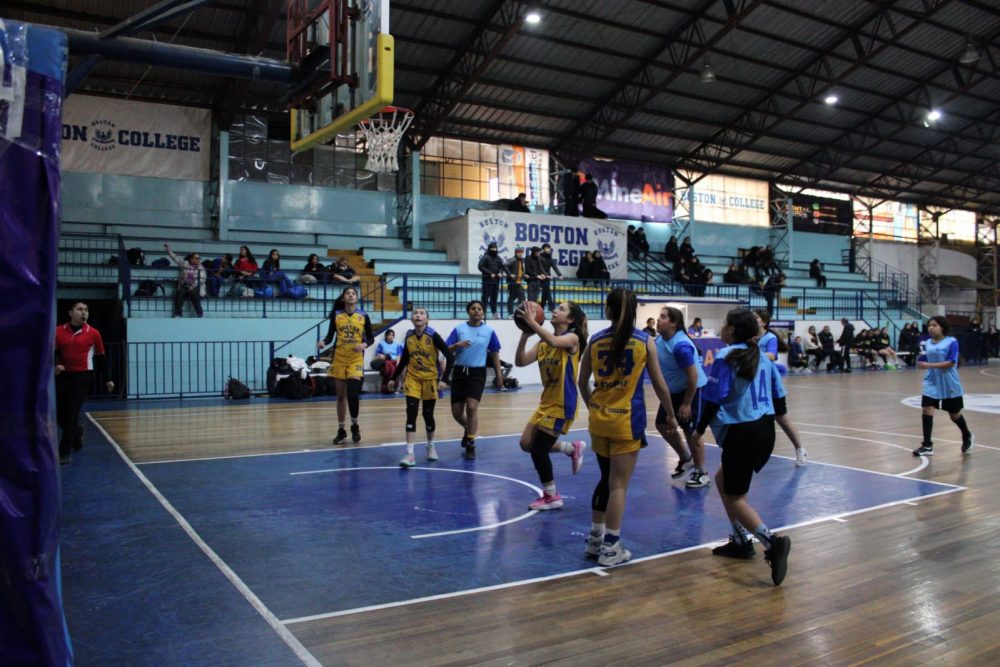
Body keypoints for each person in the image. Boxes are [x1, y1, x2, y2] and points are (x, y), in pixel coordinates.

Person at [578, 288, 676, 566]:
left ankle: (595, 539)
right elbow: (658, 383)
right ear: (633, 312)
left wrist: (593, 408)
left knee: (605, 478)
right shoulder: (644, 341)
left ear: (608, 310)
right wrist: (670, 413)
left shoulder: (595, 341)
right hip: (626, 422)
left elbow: (581, 381)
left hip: (599, 420)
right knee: (618, 485)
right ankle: (611, 548)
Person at [697, 308, 792, 586]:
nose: (721, 326)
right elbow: (780, 401)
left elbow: (713, 397)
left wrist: (698, 429)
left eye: (725, 323)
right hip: (764, 429)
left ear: (733, 330)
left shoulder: (726, 357)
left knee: (736, 498)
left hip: (743, 431)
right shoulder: (762, 358)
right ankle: (740, 540)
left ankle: (771, 543)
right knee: (722, 478)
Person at [514, 301, 589, 509]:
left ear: (571, 319)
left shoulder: (572, 339)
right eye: (556, 308)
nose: (555, 310)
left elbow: (556, 341)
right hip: (546, 402)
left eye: (562, 309)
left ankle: (552, 496)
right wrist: (525, 333)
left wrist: (532, 322)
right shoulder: (542, 343)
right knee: (526, 444)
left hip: (563, 403)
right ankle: (571, 448)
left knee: (539, 450)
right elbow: (520, 361)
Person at [389, 308, 455, 467]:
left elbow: (450, 356)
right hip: (412, 379)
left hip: (430, 379)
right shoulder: (409, 336)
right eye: (415, 313)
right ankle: (410, 453)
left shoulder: (433, 335)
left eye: (421, 313)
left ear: (427, 319)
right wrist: (393, 378)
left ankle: (431, 446)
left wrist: (445, 379)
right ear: (412, 319)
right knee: (410, 413)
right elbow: (404, 359)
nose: (418, 315)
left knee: (427, 414)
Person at [654, 306, 710, 489]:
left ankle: (702, 472)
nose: (658, 320)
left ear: (673, 323)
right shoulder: (660, 339)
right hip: (673, 390)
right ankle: (686, 458)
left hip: (690, 391)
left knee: (691, 432)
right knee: (662, 424)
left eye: (662, 317)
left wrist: (686, 404)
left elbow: (693, 376)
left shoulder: (681, 346)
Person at [55, 302, 115, 464]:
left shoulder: (93, 333)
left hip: (83, 377)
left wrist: (108, 379)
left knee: (72, 413)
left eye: (86, 310)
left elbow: (101, 357)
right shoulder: (58, 331)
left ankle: (64, 453)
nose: (84, 313)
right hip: (63, 377)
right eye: (80, 310)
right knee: (60, 414)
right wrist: (56, 365)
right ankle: (76, 433)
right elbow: (53, 353)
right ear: (70, 313)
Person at [446, 301, 505, 459]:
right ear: (468, 312)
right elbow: (445, 349)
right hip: (459, 372)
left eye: (479, 309)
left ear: (483, 312)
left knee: (472, 407)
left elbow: (495, 353)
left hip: (477, 373)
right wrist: (456, 345)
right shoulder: (459, 329)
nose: (476, 311)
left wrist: (499, 375)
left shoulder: (489, 331)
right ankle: (469, 429)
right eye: (473, 309)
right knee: (457, 412)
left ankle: (471, 442)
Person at [317, 286, 373, 445]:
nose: (350, 295)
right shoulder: (336, 315)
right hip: (339, 359)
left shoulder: (363, 316)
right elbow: (329, 337)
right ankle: (341, 430)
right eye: (347, 293)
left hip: (355, 359)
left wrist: (364, 345)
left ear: (356, 298)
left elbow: (370, 338)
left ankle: (355, 425)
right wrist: (323, 343)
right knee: (340, 397)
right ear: (343, 298)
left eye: (353, 293)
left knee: (353, 394)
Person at [913, 316, 974, 457]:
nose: (930, 328)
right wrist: (926, 365)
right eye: (929, 325)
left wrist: (929, 365)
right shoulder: (928, 342)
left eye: (934, 325)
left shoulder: (951, 342)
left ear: (942, 327)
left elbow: (951, 362)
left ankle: (967, 435)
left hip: (948, 380)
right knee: (927, 408)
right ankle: (927, 445)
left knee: (954, 414)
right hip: (932, 380)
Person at [754, 309, 807, 466]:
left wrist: (753, 353)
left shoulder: (769, 338)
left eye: (755, 318)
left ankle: (800, 448)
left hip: (772, 385)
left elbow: (772, 355)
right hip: (756, 384)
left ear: (763, 321)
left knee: (781, 418)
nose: (752, 319)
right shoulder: (750, 337)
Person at [163, 243, 205, 318]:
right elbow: (176, 258)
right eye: (196, 258)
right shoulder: (185, 264)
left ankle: (200, 313)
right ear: (191, 259)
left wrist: (192, 285)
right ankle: (178, 314)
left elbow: (201, 279)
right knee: (180, 292)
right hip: (184, 285)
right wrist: (169, 251)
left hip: (195, 286)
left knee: (195, 293)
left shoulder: (201, 267)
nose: (198, 260)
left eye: (199, 258)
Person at [478, 241, 505, 319]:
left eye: (495, 248)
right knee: (485, 298)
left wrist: (500, 273)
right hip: (487, 281)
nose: (494, 250)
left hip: (496, 281)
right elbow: (480, 266)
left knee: (494, 298)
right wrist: (490, 274)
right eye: (492, 248)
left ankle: (494, 313)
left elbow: (501, 267)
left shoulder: (498, 258)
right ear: (489, 249)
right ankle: (483, 312)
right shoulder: (485, 257)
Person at [374, 329, 403, 393]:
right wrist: (381, 356)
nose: (391, 336)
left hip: (395, 361)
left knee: (395, 368)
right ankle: (388, 387)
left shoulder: (396, 345)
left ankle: (394, 387)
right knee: (388, 368)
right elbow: (377, 354)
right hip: (386, 361)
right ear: (386, 336)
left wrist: (398, 363)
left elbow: (399, 355)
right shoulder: (381, 344)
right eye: (389, 335)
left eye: (392, 335)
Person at [504, 246, 527, 316]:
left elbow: (521, 270)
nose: (520, 253)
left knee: (521, 298)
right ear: (516, 253)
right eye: (518, 252)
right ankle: (510, 313)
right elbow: (505, 265)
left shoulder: (522, 260)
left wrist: (523, 275)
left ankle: (518, 313)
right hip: (512, 282)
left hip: (518, 282)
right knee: (513, 297)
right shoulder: (513, 259)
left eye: (521, 252)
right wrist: (510, 274)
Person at [539, 243, 562, 311]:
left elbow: (554, 266)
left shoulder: (550, 258)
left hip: (548, 278)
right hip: (541, 277)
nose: (548, 249)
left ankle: (542, 309)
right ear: (543, 249)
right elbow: (540, 268)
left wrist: (559, 274)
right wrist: (546, 275)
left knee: (545, 294)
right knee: (547, 292)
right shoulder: (540, 257)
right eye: (546, 248)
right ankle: (552, 308)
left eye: (549, 248)